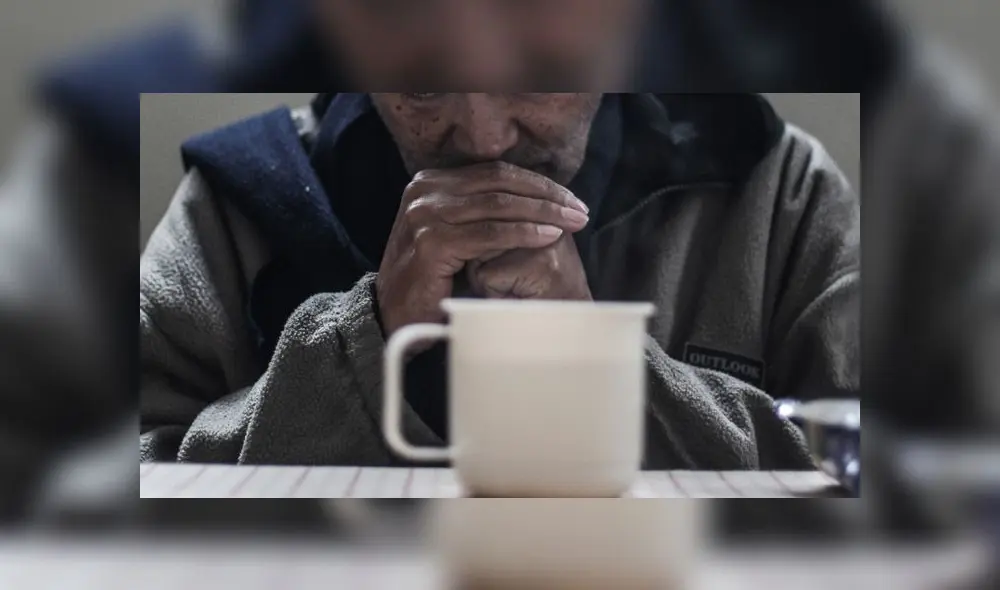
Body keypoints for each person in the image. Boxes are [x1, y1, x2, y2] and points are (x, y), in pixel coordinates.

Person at [139, 92, 859, 469]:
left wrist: (606, 363)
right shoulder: (233, 209)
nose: (484, 140)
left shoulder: (778, 193)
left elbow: (886, 497)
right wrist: (362, 343)